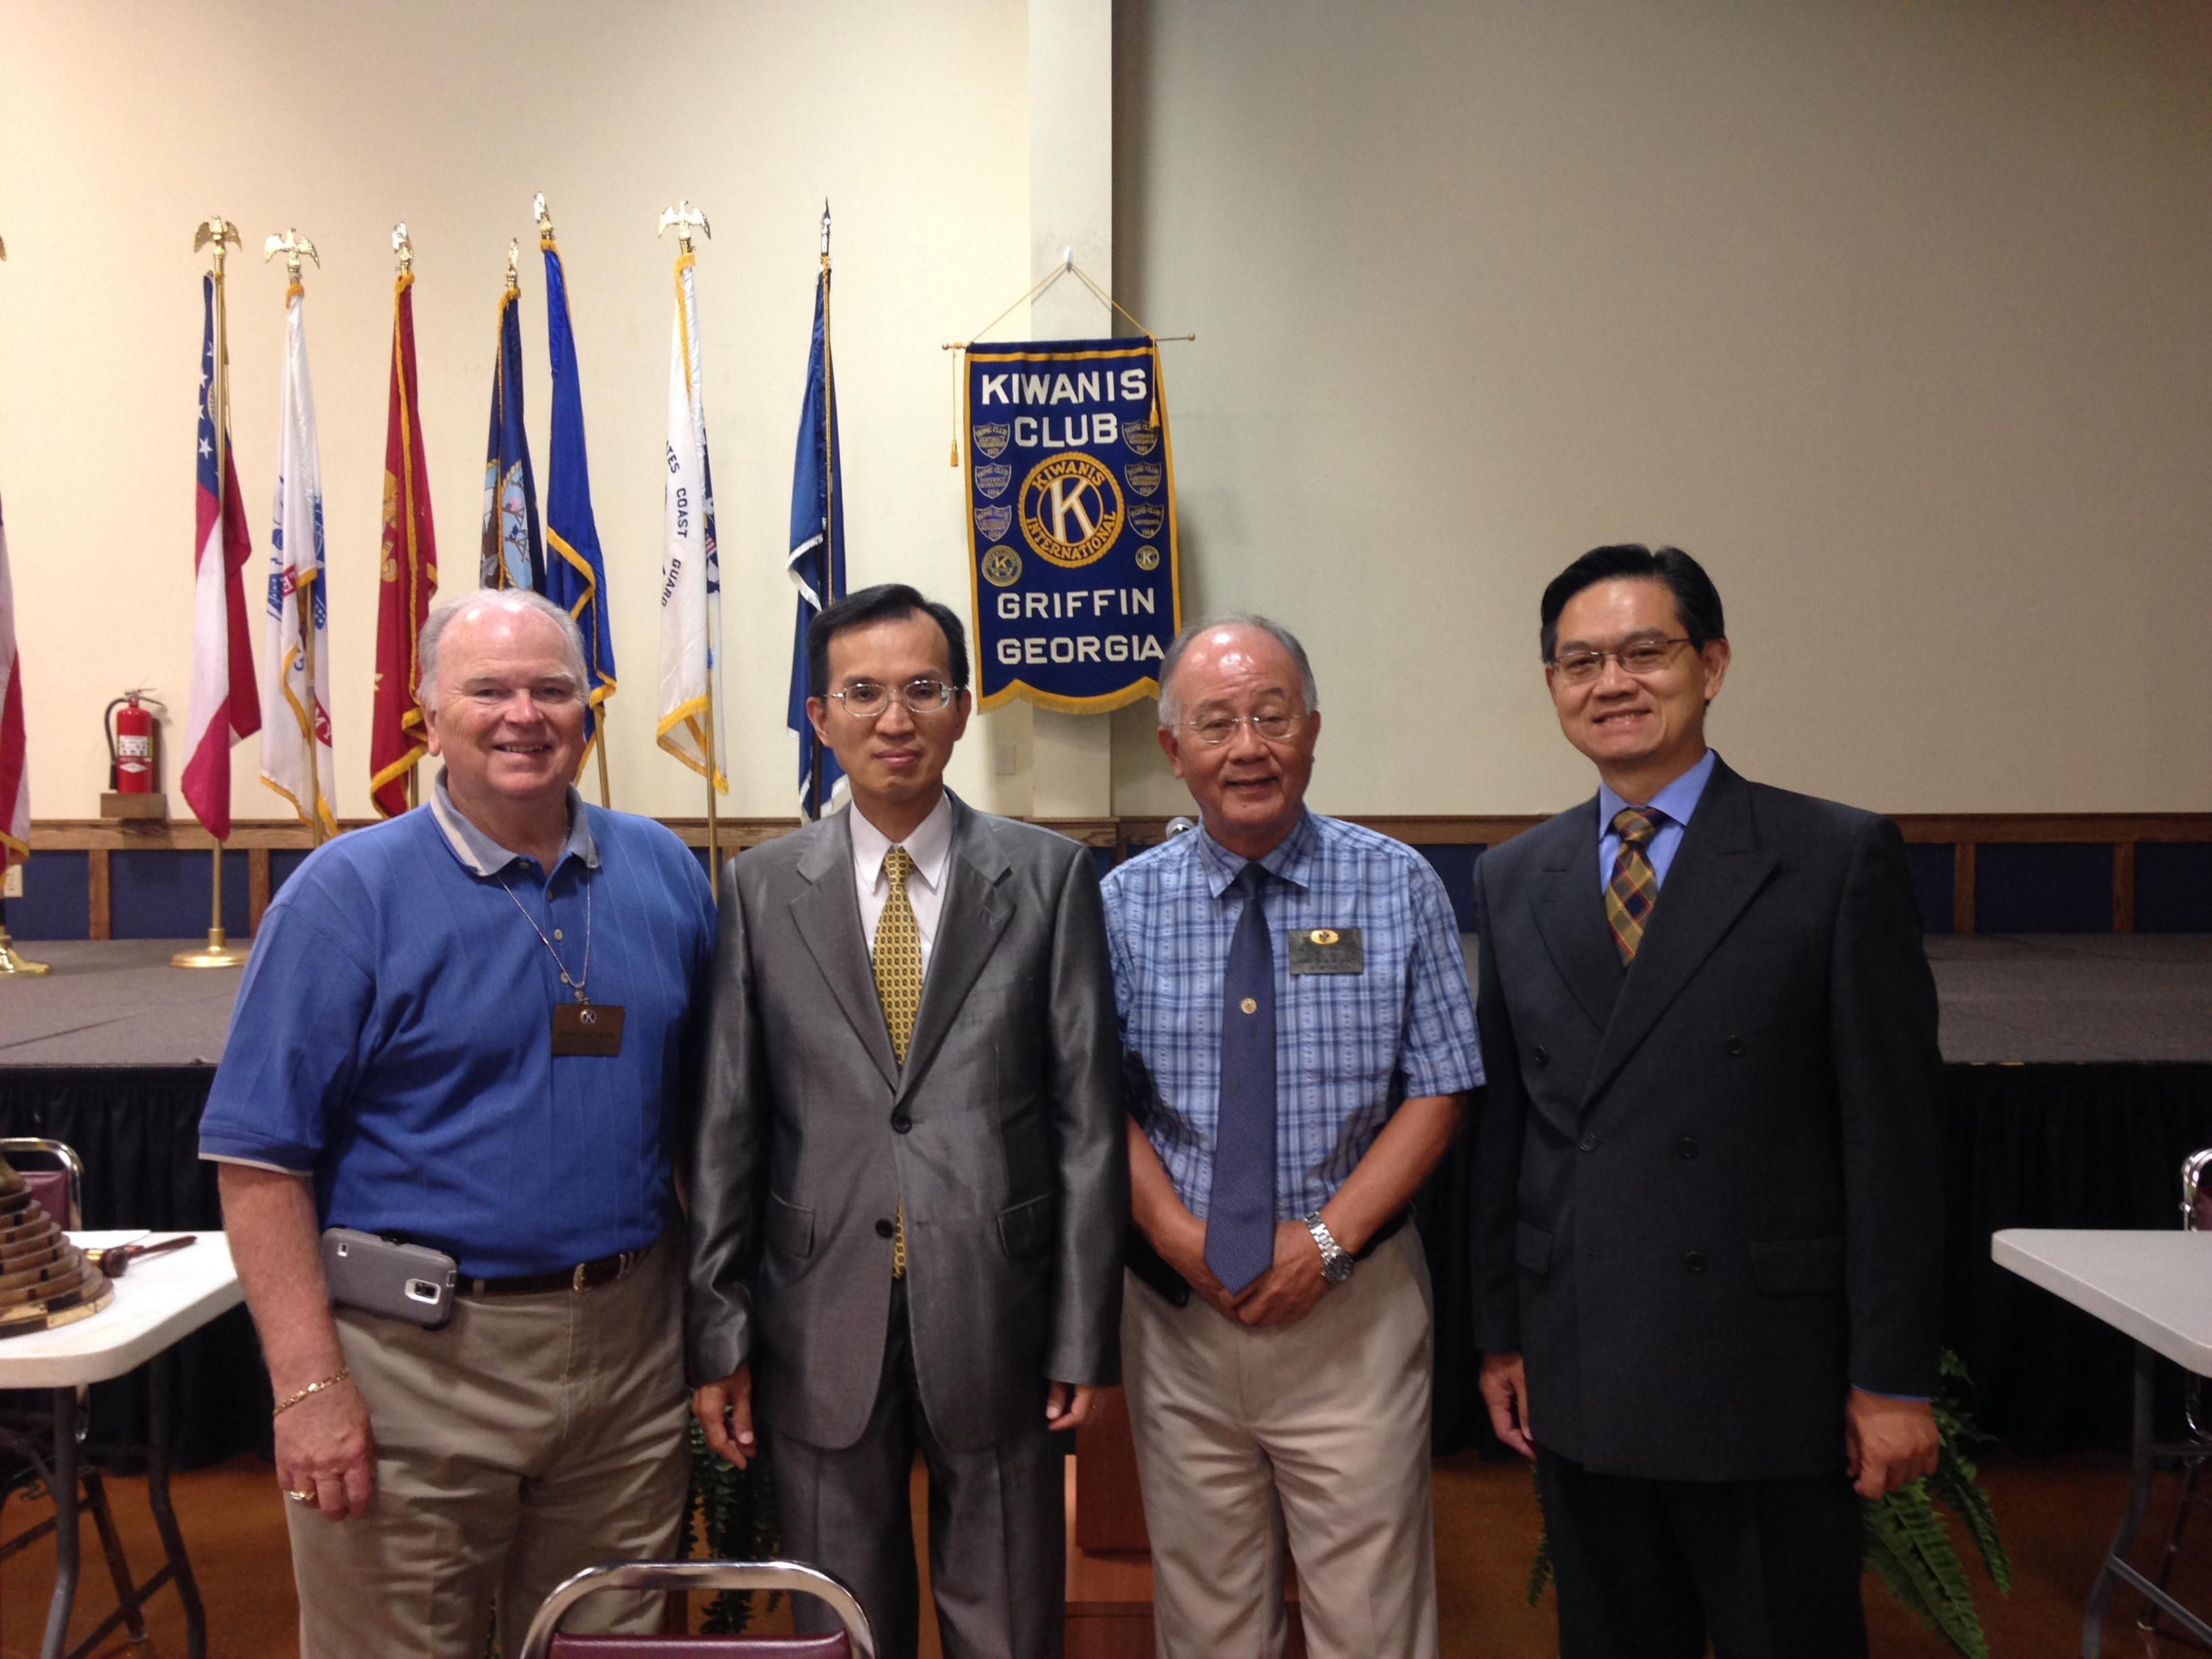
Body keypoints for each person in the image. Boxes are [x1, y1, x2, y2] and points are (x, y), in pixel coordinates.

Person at [199, 587, 716, 1656]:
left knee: (608, 1643)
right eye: (487, 689)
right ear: (430, 717)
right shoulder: (344, 897)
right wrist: (309, 1387)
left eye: (551, 690)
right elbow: (258, 1162)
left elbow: (704, 1122)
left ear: (588, 711)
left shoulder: (664, 870)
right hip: (416, 1370)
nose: (522, 715)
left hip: (627, 1364)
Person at [1473, 544, 1943, 1659]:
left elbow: (1896, 1142)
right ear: (1551, 687)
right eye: (1579, 661)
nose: (1612, 682)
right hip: (1587, 1363)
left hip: (1766, 1377)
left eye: (1647, 651)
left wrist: (1891, 1377)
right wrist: (1501, 1335)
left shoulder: (1831, 857)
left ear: (1713, 664)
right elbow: (1511, 1133)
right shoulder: (1514, 875)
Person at [684, 582, 1124, 1659]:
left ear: (963, 708)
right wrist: (720, 1327)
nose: (895, 719)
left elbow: (1085, 1124)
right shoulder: (758, 889)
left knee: (1010, 1617)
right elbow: (726, 1127)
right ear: (820, 715)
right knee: (841, 1615)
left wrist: (1080, 1329)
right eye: (864, 693)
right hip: (814, 1307)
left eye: (923, 689)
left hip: (1000, 1303)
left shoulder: (1051, 878)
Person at [1101, 615, 1483, 1659]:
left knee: (1371, 1618)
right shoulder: (1120, 906)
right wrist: (1182, 1239)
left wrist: (1323, 1245)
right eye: (1216, 723)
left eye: (1272, 715)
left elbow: (1442, 1087)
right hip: (1182, 1316)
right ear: (1175, 752)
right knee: (1209, 1615)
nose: (1248, 746)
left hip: (1352, 1311)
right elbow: (1097, 1101)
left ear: (1312, 731)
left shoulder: (1398, 883)